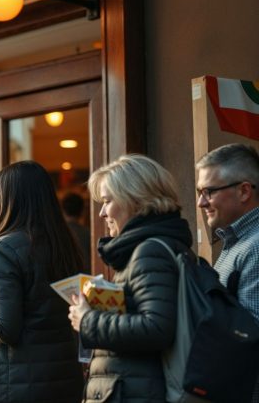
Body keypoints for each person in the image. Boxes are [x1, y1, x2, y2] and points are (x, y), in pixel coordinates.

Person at [0, 161, 84, 403]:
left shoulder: (2, 248)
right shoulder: (63, 243)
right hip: (66, 378)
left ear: (6, 201)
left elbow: (6, 329)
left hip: (20, 383)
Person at [68, 154, 188, 402]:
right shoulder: (145, 249)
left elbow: (156, 328)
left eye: (107, 201)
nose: (101, 213)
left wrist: (88, 320)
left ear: (135, 200)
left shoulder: (148, 251)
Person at [195, 143, 259, 402]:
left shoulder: (255, 246)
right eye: (200, 192)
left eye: (209, 191)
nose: (200, 202)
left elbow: (252, 333)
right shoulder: (237, 242)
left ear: (244, 191)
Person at [62, 192, 92, 272]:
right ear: (82, 211)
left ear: (63, 210)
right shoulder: (88, 234)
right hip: (85, 279)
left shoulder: (57, 233)